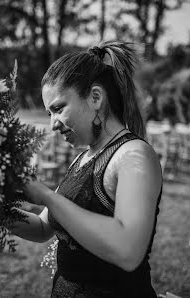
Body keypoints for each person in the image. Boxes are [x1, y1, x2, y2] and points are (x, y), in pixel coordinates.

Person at [11, 41, 162, 297]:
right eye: (49, 113)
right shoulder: (82, 159)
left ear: (95, 97)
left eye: (58, 108)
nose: (53, 125)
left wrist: (46, 195)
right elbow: (41, 228)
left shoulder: (133, 154)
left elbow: (128, 251)